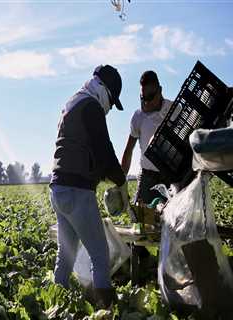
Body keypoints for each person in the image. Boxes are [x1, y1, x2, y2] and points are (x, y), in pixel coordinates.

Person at [49, 65, 128, 307]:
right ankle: (105, 307)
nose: (110, 108)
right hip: (76, 192)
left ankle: (55, 304)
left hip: (58, 189)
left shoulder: (73, 102)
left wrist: (100, 176)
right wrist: (122, 183)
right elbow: (104, 150)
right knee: (100, 254)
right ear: (104, 90)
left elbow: (81, 148)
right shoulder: (91, 106)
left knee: (66, 255)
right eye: (112, 102)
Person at [121, 71, 173, 205]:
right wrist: (121, 182)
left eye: (151, 97)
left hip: (170, 177)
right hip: (147, 178)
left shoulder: (173, 109)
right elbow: (128, 150)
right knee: (143, 220)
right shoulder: (138, 117)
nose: (147, 102)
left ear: (160, 90)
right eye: (143, 98)